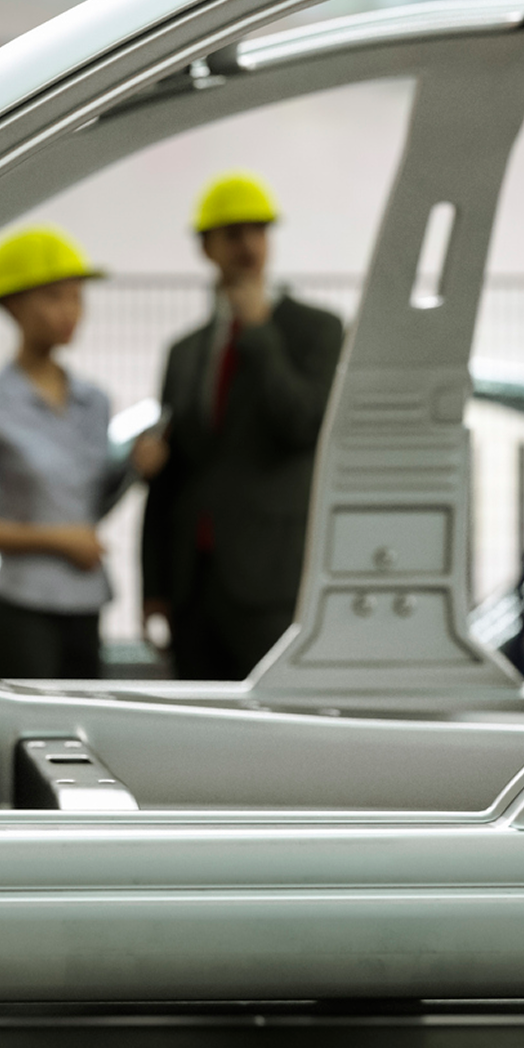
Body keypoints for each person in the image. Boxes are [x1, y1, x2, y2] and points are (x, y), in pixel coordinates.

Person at [136, 174, 344, 679]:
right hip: (194, 583)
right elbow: (173, 477)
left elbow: (303, 423)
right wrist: (155, 586)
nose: (247, 245)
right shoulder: (185, 352)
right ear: (207, 247)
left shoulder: (313, 329)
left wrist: (260, 334)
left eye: (257, 231)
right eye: (232, 234)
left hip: (271, 580)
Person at [0, 226, 136, 680]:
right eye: (55, 297)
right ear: (15, 305)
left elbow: (89, 500)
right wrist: (56, 540)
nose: (71, 311)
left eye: (77, 297)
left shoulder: (93, 401)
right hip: (20, 611)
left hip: (86, 606)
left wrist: (136, 466)